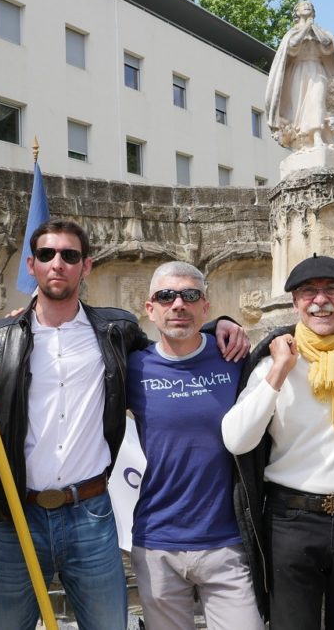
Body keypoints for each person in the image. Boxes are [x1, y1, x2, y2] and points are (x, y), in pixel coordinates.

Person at [0, 219, 248, 630]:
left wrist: (220, 324)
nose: (58, 263)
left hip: (88, 514)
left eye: (69, 255)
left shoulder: (116, 331)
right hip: (13, 518)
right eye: (47, 255)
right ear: (31, 264)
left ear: (86, 266)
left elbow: (172, 342)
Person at [222, 254, 334, 630]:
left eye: (332, 290)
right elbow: (237, 439)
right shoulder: (274, 362)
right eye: (309, 292)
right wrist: (279, 370)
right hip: (291, 521)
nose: (321, 300)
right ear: (295, 303)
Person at [127, 262, 264, 629]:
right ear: (149, 308)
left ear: (206, 306)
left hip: (227, 541)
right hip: (157, 540)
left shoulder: (235, 359)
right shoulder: (131, 368)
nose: (178, 305)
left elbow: (284, 348)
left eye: (190, 295)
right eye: (165, 296)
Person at [264, 0, 334, 152]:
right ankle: (304, 140)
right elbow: (292, 47)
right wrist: (306, 28)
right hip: (298, 72)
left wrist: (313, 28)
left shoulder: (321, 33)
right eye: (303, 5)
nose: (307, 6)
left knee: (317, 101)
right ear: (296, 13)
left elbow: (327, 45)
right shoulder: (292, 33)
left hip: (317, 69)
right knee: (300, 109)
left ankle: (317, 136)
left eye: (310, 6)